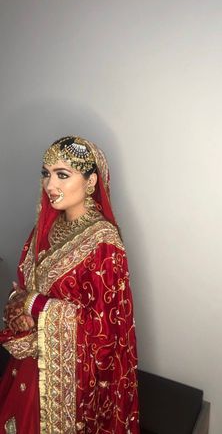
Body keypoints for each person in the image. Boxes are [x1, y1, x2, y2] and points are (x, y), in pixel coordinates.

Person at [0, 136, 139, 434]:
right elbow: (23, 285)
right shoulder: (48, 226)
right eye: (46, 174)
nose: (50, 185)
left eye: (62, 175)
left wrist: (32, 304)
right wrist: (18, 302)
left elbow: (103, 332)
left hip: (70, 381)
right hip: (29, 361)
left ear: (91, 182)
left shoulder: (104, 243)